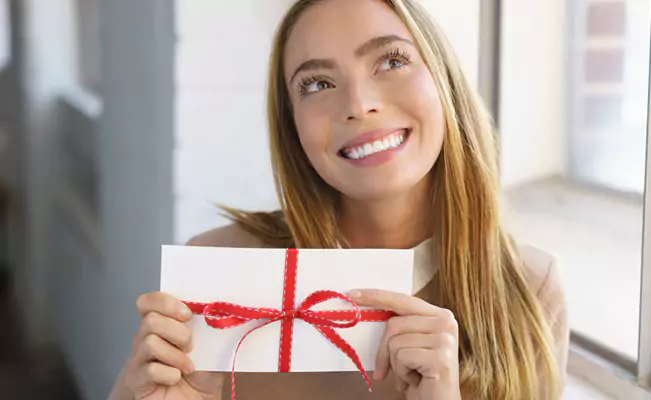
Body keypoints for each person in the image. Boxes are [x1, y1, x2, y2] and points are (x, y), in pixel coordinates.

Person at [109, 0, 568, 399]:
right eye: (318, 84)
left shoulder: (529, 290)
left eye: (391, 60)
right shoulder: (216, 277)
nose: (359, 103)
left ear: (442, 78)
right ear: (293, 128)